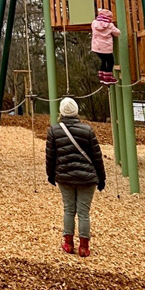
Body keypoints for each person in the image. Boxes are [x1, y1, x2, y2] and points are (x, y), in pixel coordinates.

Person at [45, 97, 106, 257]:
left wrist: (50, 175)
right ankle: (84, 247)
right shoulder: (87, 130)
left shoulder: (54, 131)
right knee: (84, 212)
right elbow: (97, 156)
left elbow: (50, 156)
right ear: (76, 111)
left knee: (69, 209)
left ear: (62, 112)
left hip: (64, 176)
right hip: (87, 177)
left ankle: (68, 243)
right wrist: (102, 178)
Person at [91, 8, 122, 86]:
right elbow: (117, 33)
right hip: (106, 48)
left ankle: (101, 76)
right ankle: (108, 77)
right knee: (110, 61)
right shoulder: (110, 25)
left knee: (103, 60)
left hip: (96, 47)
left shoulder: (94, 23)